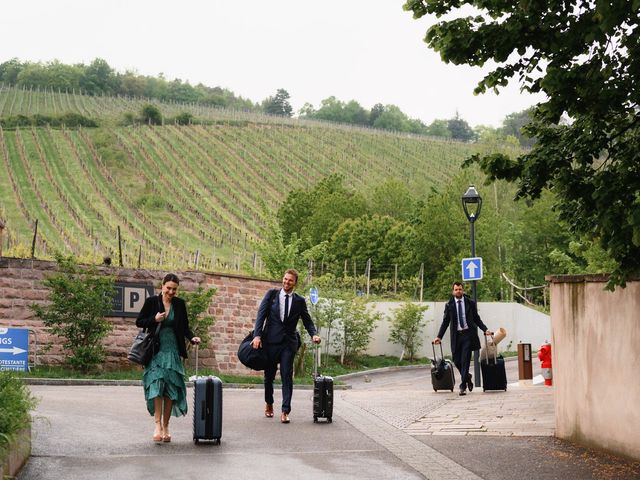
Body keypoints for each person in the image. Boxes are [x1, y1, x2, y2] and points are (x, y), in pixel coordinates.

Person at [136, 273, 201, 442]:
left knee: (170, 388)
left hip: (172, 349)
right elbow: (140, 321)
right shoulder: (152, 302)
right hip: (156, 350)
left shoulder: (179, 304)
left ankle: (166, 425)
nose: (171, 292)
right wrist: (154, 319)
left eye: (174, 289)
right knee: (157, 385)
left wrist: (192, 337)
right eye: (168, 288)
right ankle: (157, 425)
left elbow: (185, 327)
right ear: (162, 286)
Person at [251, 269, 321, 423]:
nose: (286, 282)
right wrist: (257, 336)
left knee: (286, 376)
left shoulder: (299, 301)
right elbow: (261, 315)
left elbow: (307, 320)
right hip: (270, 342)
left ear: (295, 283)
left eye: (290, 280)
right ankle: (269, 403)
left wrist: (313, 334)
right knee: (269, 376)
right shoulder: (272, 295)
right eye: (285, 279)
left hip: (288, 344)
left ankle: (285, 410)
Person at [434, 281, 492, 396]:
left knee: (465, 360)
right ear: (453, 291)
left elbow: (477, 319)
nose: (458, 291)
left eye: (460, 289)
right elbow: (445, 322)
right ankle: (467, 377)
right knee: (456, 360)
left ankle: (462, 386)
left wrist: (485, 329)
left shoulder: (470, 303)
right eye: (456, 289)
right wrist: (439, 336)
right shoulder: (449, 305)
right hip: (456, 336)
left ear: (463, 290)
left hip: (468, 335)